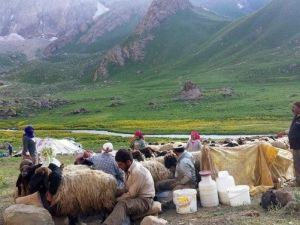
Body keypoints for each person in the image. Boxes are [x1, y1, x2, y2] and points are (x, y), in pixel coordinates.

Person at [102, 149, 155, 225]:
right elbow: (127, 188)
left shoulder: (138, 172)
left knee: (122, 204)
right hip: (136, 196)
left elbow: (131, 194)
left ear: (128, 162)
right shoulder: (128, 169)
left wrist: (116, 200)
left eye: (120, 164)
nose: (119, 167)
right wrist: (114, 194)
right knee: (112, 195)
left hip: (145, 200)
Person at [278, 102, 300, 186]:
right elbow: (292, 129)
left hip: (299, 146)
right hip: (295, 146)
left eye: (294, 107)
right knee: (297, 164)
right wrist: (283, 132)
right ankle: (298, 182)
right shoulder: (296, 118)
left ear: (299, 108)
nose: (292, 109)